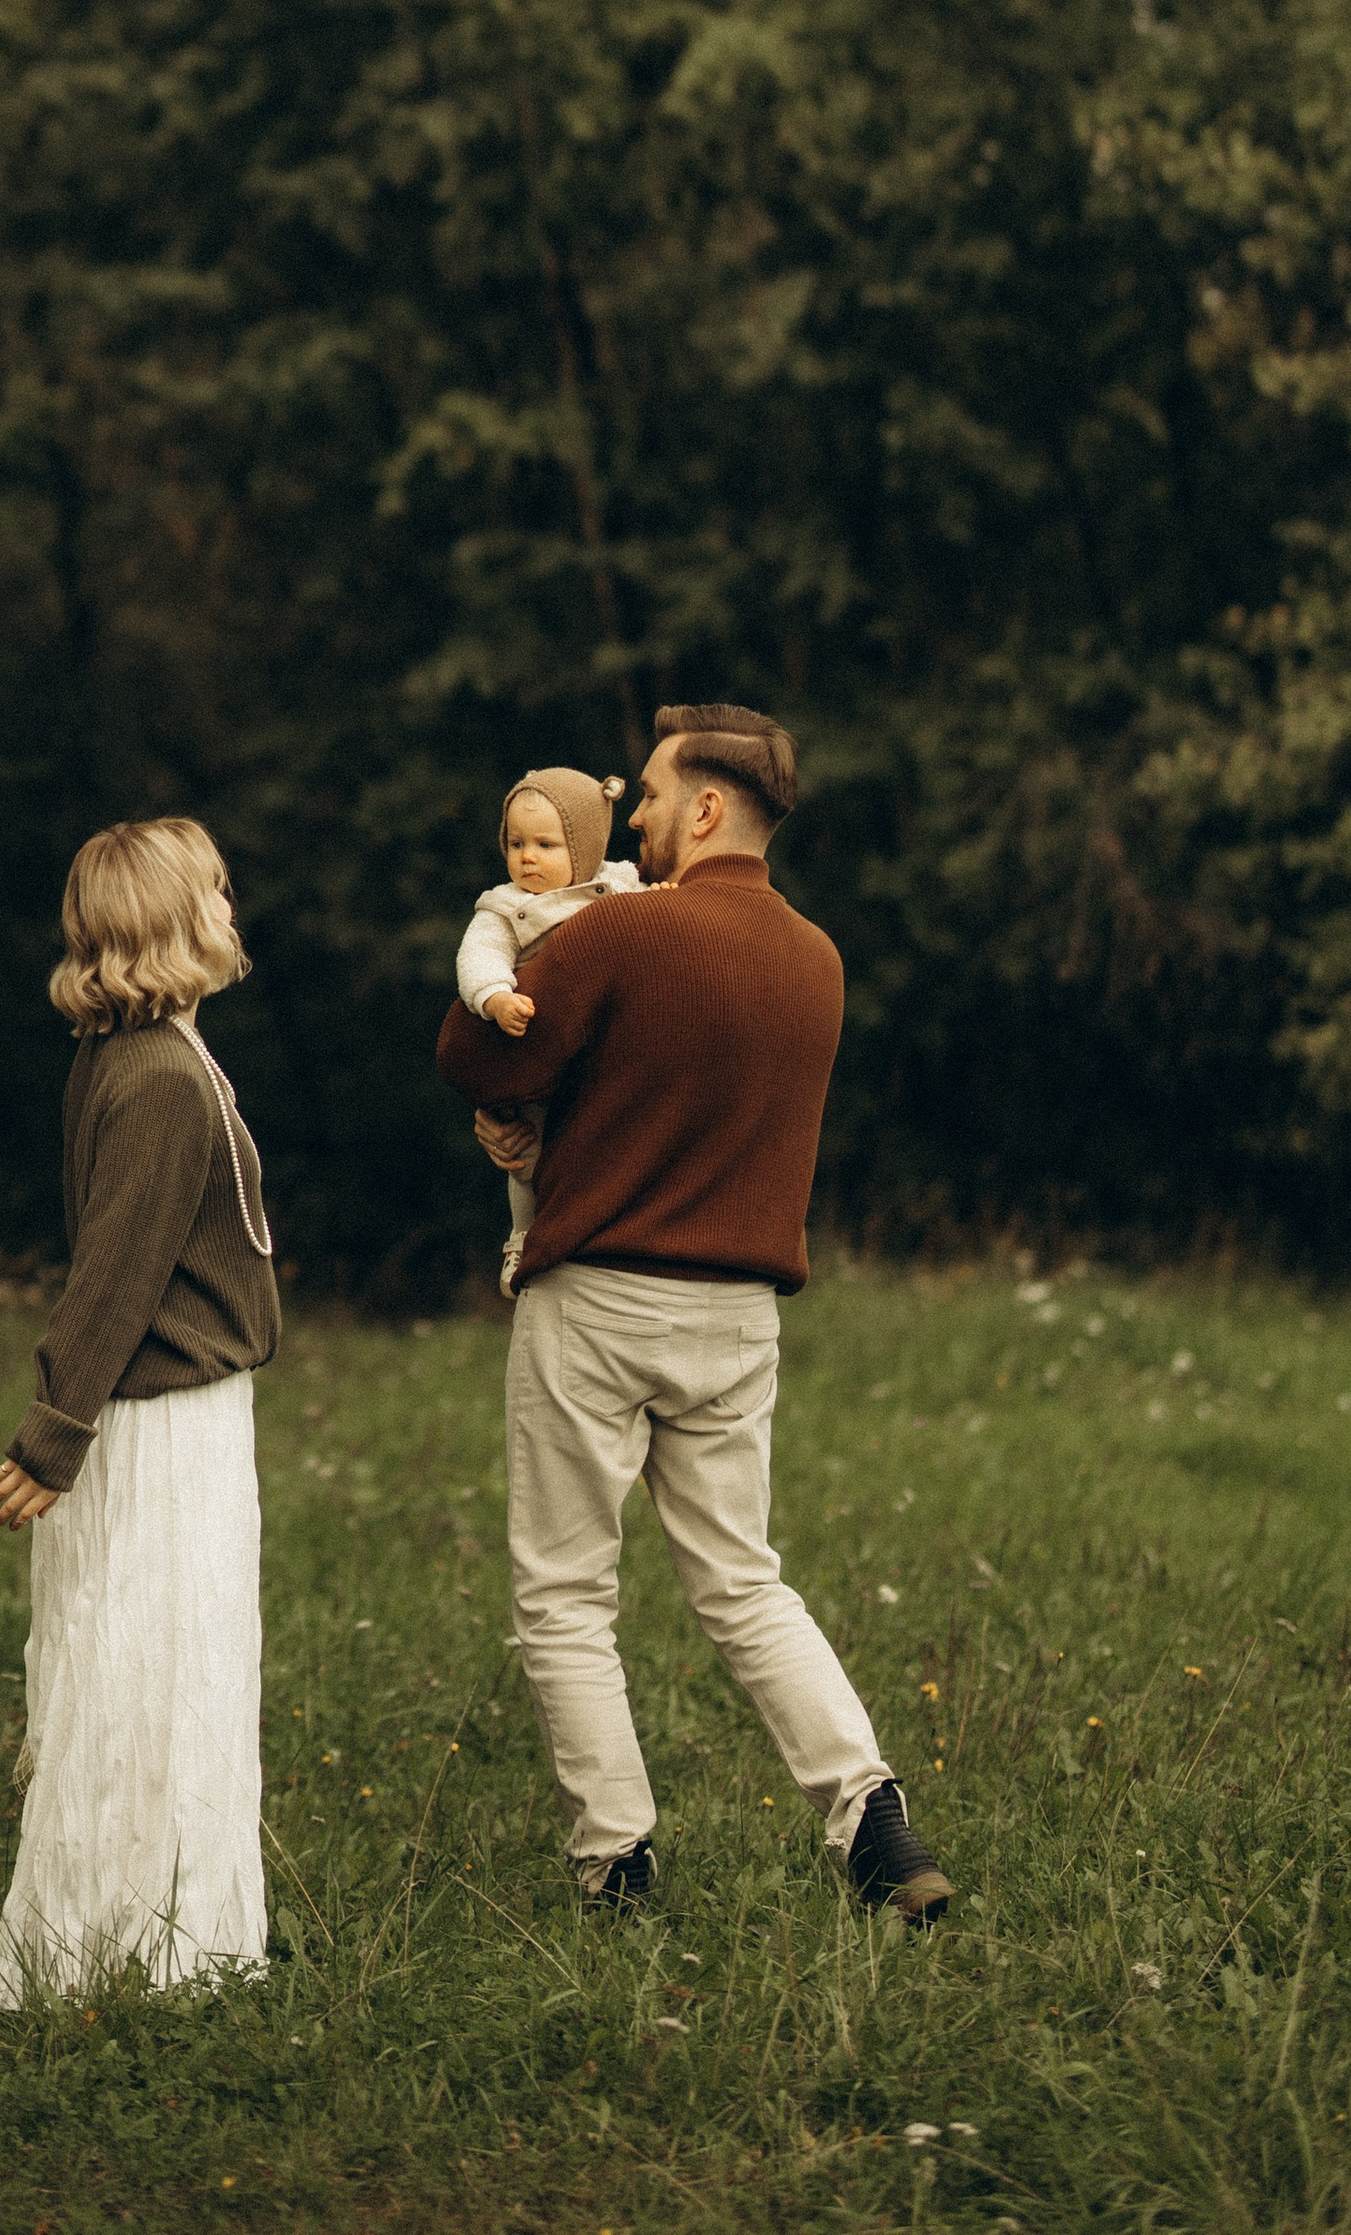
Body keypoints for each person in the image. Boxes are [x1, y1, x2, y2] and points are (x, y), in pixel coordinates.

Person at [436, 702, 950, 1926]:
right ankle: (872, 1820)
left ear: (709, 806)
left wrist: (520, 1100)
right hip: (739, 1318)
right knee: (742, 1582)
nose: (636, 823)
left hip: (600, 1300)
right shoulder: (818, 960)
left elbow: (477, 1055)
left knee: (566, 1594)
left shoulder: (623, 930)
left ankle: (615, 1864)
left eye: (655, 797)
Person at [0, 816, 280, 2004]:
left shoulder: (147, 1054)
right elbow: (115, 1273)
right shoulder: (156, 1075)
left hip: (171, 1413)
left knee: (160, 1670)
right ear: (167, 920)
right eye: (213, 887)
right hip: (163, 1423)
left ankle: (158, 1941)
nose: (228, 904)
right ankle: (143, 1951)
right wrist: (53, 1434)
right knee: (153, 1677)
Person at [451, 765, 639, 1293]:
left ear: (586, 847)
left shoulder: (620, 884)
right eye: (516, 843)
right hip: (535, 1050)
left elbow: (657, 920)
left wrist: (668, 894)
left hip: (602, 1052)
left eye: (545, 845)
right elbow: (478, 955)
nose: (527, 857)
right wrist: (495, 997)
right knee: (524, 1152)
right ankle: (523, 1238)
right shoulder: (506, 905)